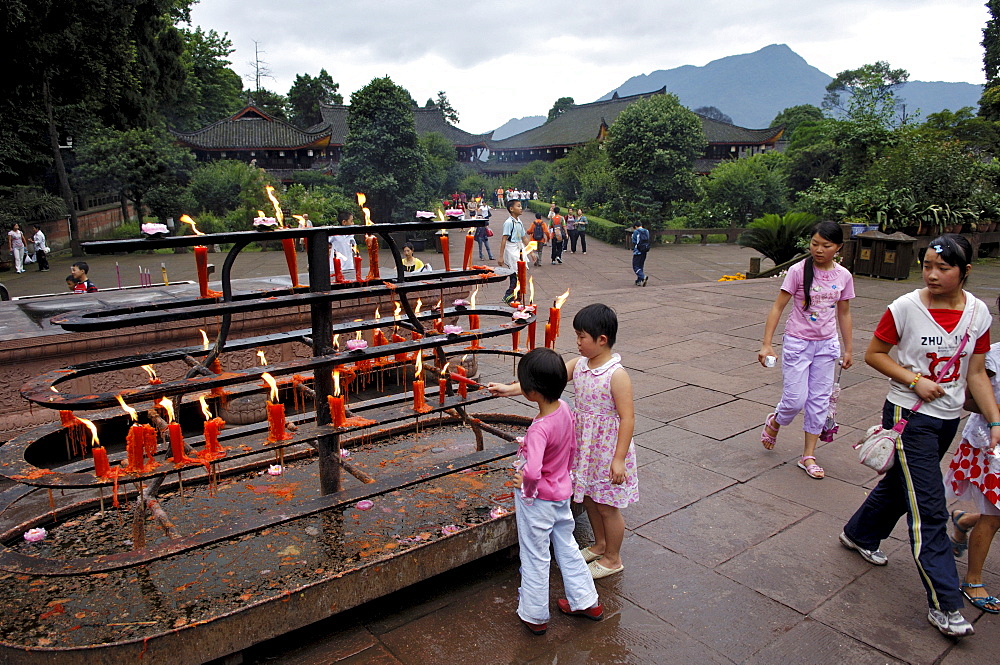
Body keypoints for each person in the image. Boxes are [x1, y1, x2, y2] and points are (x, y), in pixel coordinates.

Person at [841, 234, 997, 638]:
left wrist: (995, 421)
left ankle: (858, 533)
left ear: (965, 271)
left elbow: (976, 373)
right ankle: (946, 604)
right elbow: (875, 354)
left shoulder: (979, 313)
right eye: (927, 265)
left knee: (904, 483)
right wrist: (914, 380)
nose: (932, 274)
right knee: (927, 505)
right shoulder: (905, 308)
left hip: (947, 419)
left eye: (942, 268)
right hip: (908, 415)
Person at [490, 303, 639, 579]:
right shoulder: (581, 365)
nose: (578, 342)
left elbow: (628, 418)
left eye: (582, 336)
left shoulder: (616, 375)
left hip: (606, 450)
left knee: (607, 506)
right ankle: (600, 544)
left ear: (601, 340)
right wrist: (508, 390)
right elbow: (546, 381)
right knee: (591, 500)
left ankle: (613, 557)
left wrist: (618, 459)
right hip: (585, 446)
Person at [505, 347, 603, 635]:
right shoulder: (564, 409)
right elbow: (571, 447)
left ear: (531, 392)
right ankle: (586, 600)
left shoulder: (539, 429)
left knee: (535, 554)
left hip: (538, 501)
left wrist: (525, 485)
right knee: (567, 546)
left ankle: (534, 614)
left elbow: (533, 471)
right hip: (561, 492)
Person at [758, 221, 854, 477]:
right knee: (794, 400)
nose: (819, 250)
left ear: (838, 247)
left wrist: (848, 349)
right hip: (798, 343)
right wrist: (766, 344)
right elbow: (778, 306)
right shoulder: (798, 271)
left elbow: (844, 313)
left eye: (826, 245)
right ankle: (775, 421)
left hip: (826, 345)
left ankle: (808, 455)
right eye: (814, 244)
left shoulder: (843, 276)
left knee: (819, 402)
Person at [945, 293, 1000, 614]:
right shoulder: (992, 358)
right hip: (989, 445)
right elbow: (967, 400)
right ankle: (973, 579)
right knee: (995, 517)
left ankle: (965, 520)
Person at [498, 200, 528, 304]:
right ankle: (509, 295)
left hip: (519, 248)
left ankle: (518, 296)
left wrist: (531, 251)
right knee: (515, 274)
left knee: (521, 274)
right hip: (511, 249)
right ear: (511, 209)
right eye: (518, 206)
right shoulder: (509, 222)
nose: (521, 208)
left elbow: (524, 238)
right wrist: (501, 256)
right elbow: (504, 239)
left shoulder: (519, 222)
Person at [329, 211, 357, 279]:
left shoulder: (351, 234)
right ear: (344, 222)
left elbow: (354, 246)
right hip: (336, 267)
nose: (353, 223)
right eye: (351, 221)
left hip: (349, 265)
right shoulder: (335, 234)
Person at [630, 220, 650, 286]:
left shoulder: (636, 232)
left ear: (635, 226)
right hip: (644, 250)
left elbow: (634, 242)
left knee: (635, 266)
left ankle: (643, 277)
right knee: (641, 266)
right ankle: (639, 281)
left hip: (638, 251)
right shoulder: (646, 231)